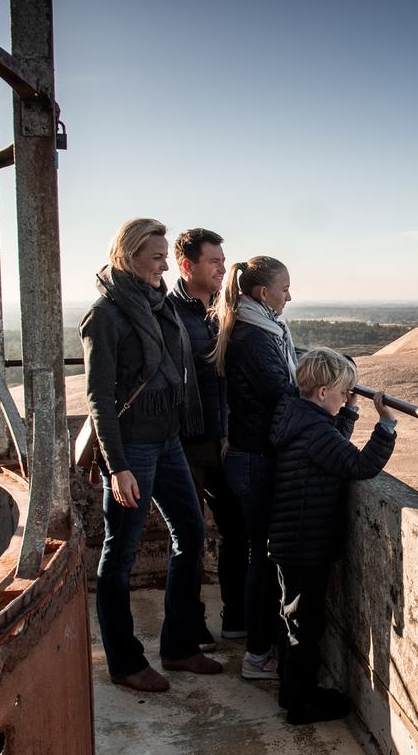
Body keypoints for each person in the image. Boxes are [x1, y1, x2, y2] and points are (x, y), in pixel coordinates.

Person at [81, 217, 223, 693]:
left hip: (167, 440)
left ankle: (179, 647)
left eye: (166, 255)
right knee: (119, 555)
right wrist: (117, 466)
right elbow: (99, 396)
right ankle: (124, 662)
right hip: (132, 447)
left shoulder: (159, 305)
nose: (166, 265)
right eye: (158, 257)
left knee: (192, 529)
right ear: (130, 255)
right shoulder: (106, 315)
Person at [269, 347, 397, 724]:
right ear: (322, 392)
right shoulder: (314, 431)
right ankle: (302, 705)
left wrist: (351, 411)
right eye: (343, 393)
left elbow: (330, 446)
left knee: (291, 617)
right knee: (305, 627)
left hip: (290, 539)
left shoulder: (300, 418)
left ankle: (290, 692)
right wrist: (386, 424)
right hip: (307, 543)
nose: (346, 399)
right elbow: (360, 465)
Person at [210, 256, 297, 679]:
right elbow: (284, 395)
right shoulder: (257, 338)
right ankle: (258, 656)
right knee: (264, 558)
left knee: (256, 555)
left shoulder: (253, 329)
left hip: (247, 457)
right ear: (263, 293)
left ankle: (251, 642)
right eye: (284, 288)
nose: (289, 296)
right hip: (256, 461)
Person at [168, 228, 248, 646]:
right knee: (189, 536)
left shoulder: (224, 310)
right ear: (188, 265)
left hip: (225, 440)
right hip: (185, 443)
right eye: (213, 261)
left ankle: (235, 616)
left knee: (238, 529)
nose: (222, 268)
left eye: (222, 259)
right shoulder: (167, 312)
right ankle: (191, 625)